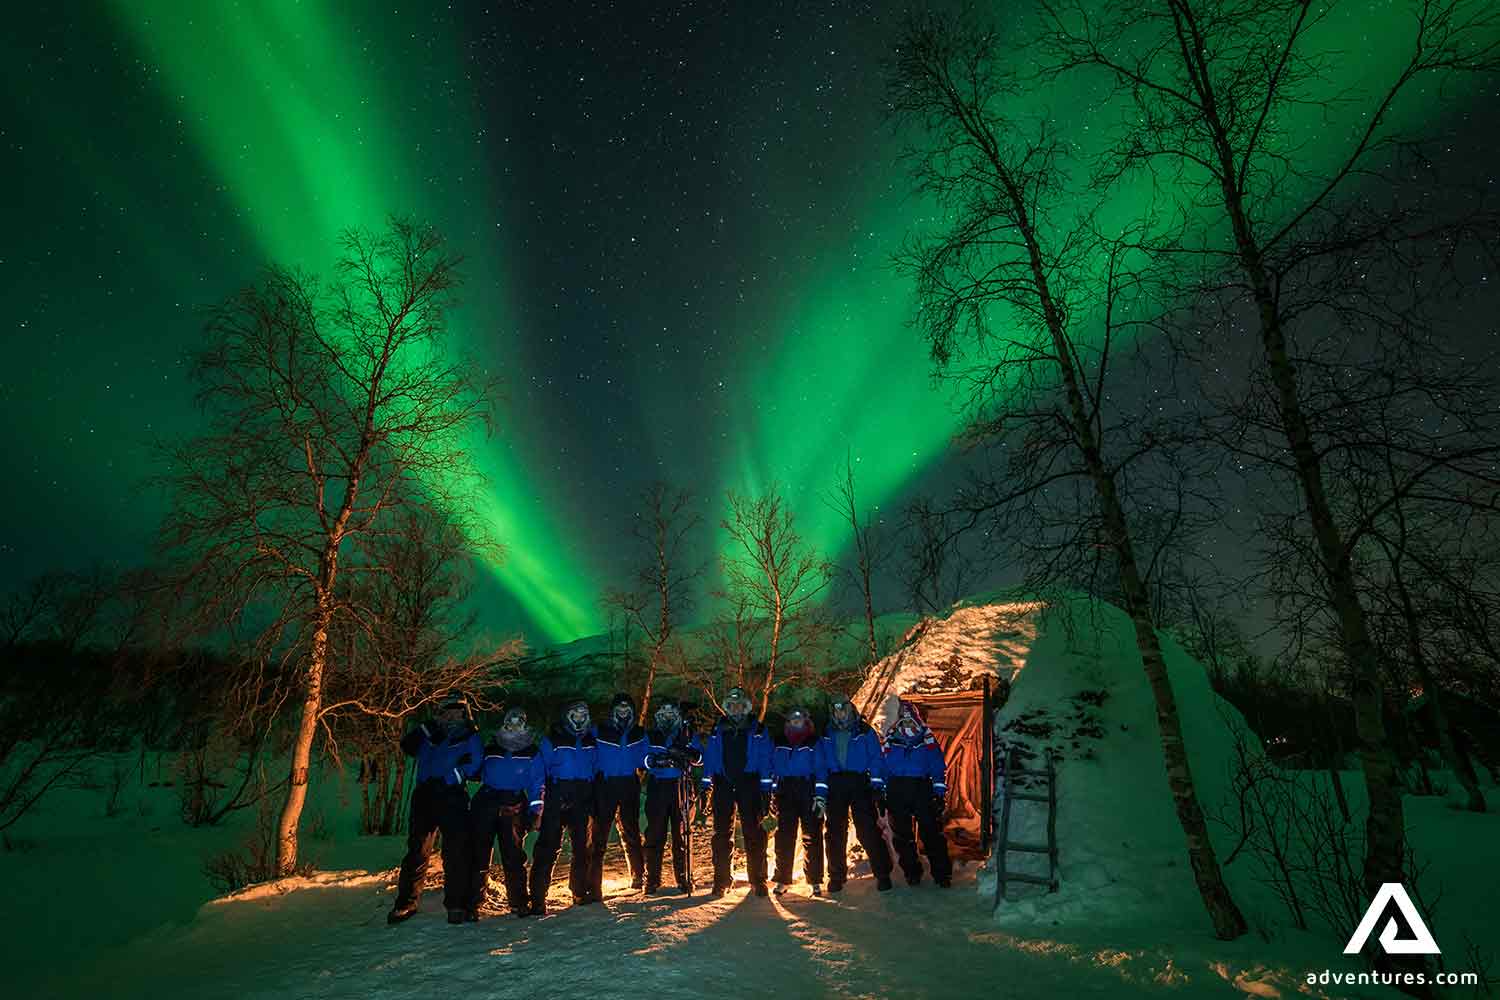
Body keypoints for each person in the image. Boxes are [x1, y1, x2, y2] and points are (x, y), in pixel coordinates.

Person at [388, 696, 483, 925]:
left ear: (464, 714)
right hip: (424, 796)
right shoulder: (431, 733)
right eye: (447, 712)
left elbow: (474, 763)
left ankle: (456, 905)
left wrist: (451, 779)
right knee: (417, 851)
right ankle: (406, 903)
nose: (452, 716)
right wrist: (428, 726)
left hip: (452, 796)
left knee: (455, 852)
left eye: (457, 712)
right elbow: (407, 746)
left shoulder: (469, 735)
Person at [468, 707, 546, 918]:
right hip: (486, 801)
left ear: (524, 724)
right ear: (505, 723)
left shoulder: (532, 751)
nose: (514, 725)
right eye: (510, 721)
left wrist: (536, 810)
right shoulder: (492, 746)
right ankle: (473, 902)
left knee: (513, 855)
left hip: (513, 805)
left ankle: (518, 901)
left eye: (518, 721)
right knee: (479, 853)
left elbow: (537, 783)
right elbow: (475, 768)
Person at [815, 694, 894, 893]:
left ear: (850, 709)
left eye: (843, 709)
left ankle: (882, 873)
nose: (840, 713)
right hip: (835, 783)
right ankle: (836, 876)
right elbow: (821, 765)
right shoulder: (826, 734)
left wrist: (877, 785)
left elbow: (876, 758)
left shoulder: (864, 731)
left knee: (867, 829)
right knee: (834, 832)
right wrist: (820, 792)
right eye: (836, 709)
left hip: (859, 783)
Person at [700, 687, 774, 896]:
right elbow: (711, 758)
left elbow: (766, 759)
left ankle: (758, 880)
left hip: (749, 783)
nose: (735, 709)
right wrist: (706, 785)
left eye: (739, 705)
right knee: (721, 834)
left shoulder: (758, 729)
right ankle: (722, 880)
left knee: (754, 832)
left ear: (746, 707)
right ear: (726, 707)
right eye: (731, 705)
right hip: (723, 783)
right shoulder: (717, 729)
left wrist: (766, 788)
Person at [529, 699, 598, 914]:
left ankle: (579, 891)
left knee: (581, 847)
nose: (579, 718)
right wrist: (538, 801)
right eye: (575, 715)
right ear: (567, 716)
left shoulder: (590, 739)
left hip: (582, 796)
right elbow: (539, 770)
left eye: (583, 715)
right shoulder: (553, 739)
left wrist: (593, 795)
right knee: (548, 847)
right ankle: (538, 898)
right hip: (557, 795)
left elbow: (596, 766)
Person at [881, 700, 953, 888]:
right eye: (903, 721)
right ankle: (912, 872)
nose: (907, 725)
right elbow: (883, 769)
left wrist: (939, 792)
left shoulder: (926, 740)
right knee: (902, 836)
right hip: (897, 790)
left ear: (916, 719)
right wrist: (882, 792)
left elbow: (937, 767)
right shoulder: (890, 741)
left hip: (921, 788)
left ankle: (942, 873)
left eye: (910, 720)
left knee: (931, 833)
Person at [641, 699, 704, 894]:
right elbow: (642, 758)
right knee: (654, 833)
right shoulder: (651, 735)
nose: (668, 715)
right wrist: (654, 761)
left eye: (671, 712)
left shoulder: (687, 734)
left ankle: (684, 878)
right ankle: (652, 878)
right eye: (664, 712)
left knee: (682, 834)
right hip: (658, 787)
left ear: (677, 715)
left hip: (681, 786)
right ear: (658, 715)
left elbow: (700, 759)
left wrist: (688, 753)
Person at [589, 692, 649, 896]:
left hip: (629, 783)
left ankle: (639, 875)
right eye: (619, 708)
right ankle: (593, 883)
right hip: (605, 784)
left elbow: (645, 757)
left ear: (631, 711)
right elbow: (590, 755)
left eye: (627, 708)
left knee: (631, 831)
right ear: (613, 710)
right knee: (599, 834)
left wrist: (654, 763)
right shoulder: (599, 730)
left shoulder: (639, 732)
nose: (623, 711)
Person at [770, 706, 825, 896]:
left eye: (799, 719)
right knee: (784, 837)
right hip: (786, 791)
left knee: (812, 835)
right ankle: (783, 879)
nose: (796, 722)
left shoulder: (814, 742)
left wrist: (820, 795)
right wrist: (773, 792)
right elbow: (772, 768)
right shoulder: (779, 741)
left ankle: (815, 880)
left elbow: (821, 768)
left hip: (807, 789)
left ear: (806, 721)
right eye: (792, 719)